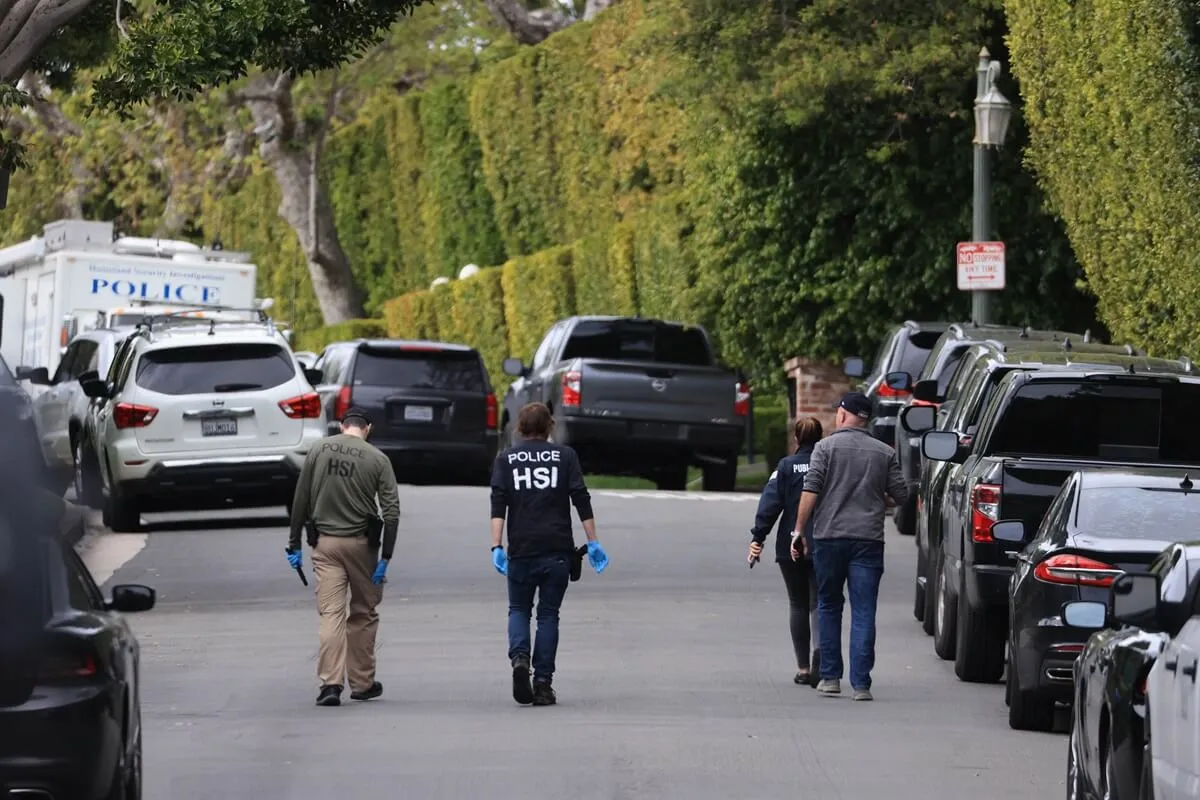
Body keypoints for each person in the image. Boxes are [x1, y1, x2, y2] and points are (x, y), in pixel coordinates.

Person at [490, 402, 609, 706]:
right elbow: (581, 500)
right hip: (556, 550)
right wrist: (593, 541)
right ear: (549, 426)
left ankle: (520, 658)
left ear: (520, 427)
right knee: (548, 615)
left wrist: (497, 546)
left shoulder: (506, 459)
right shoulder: (565, 457)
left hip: (521, 549)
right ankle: (542, 683)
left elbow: (498, 504)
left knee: (518, 609)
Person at [790, 392, 906, 701]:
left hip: (829, 538)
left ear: (843, 414)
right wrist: (875, 492)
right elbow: (901, 495)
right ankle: (861, 683)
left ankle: (830, 677)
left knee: (829, 605)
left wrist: (799, 530)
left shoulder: (825, 448)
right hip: (868, 539)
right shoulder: (884, 452)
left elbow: (811, 489)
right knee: (864, 611)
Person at [287, 406, 400, 707]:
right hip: (362, 547)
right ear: (368, 429)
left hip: (325, 545)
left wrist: (293, 543)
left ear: (341, 425)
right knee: (364, 611)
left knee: (331, 614)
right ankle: (362, 683)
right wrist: (386, 557)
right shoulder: (378, 459)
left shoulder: (318, 450)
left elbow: (301, 498)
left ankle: (330, 684)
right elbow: (391, 512)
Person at [747, 417, 824, 687]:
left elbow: (770, 503)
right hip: (824, 541)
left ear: (796, 439)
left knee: (798, 603)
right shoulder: (828, 463)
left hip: (789, 543)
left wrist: (758, 537)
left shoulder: (786, 467)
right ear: (821, 438)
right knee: (820, 602)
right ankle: (821, 655)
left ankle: (803, 667)